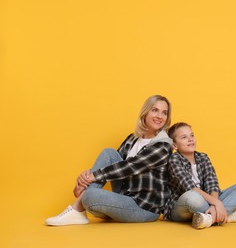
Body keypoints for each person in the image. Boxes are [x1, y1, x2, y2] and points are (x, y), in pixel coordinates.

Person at [45, 95, 173, 226]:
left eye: (164, 113)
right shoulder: (133, 138)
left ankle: (77, 209)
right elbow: (112, 164)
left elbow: (131, 166)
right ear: (145, 112)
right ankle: (80, 207)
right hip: (124, 196)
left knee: (90, 195)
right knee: (109, 153)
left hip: (144, 207)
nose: (159, 116)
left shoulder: (163, 146)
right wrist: (85, 178)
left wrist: (91, 177)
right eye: (155, 110)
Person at [163, 122, 236, 229]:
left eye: (192, 135)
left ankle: (208, 218)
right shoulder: (174, 160)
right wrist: (217, 204)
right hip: (183, 206)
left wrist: (215, 204)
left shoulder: (203, 157)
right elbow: (189, 187)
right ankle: (226, 215)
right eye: (184, 137)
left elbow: (212, 184)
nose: (190, 139)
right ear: (174, 145)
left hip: (207, 202)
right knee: (192, 196)